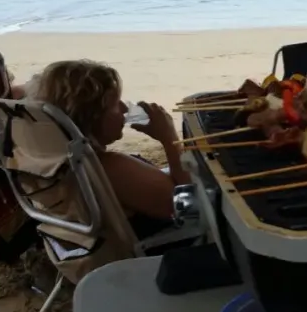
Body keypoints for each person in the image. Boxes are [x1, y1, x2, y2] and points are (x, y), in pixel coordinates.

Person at [34, 60, 191, 234]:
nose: (124, 108)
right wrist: (169, 139)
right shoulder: (110, 167)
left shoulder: (60, 161)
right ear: (93, 115)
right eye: (115, 103)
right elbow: (192, 206)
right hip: (166, 244)